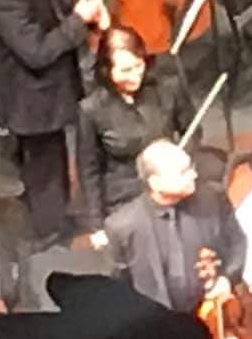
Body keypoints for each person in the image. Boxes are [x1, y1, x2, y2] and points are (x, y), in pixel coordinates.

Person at [0, 0, 108, 245]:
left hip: (36, 91)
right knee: (45, 167)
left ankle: (50, 219)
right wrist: (78, 22)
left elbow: (47, 5)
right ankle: (49, 232)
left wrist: (74, 0)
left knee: (47, 163)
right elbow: (36, 51)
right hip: (29, 96)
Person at [104, 139, 246, 314]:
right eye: (183, 172)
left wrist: (227, 278)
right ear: (156, 183)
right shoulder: (123, 226)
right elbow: (120, 288)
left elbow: (237, 242)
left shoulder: (213, 198)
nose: (194, 175)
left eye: (191, 167)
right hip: (158, 321)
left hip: (212, 312)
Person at [79, 27, 191, 238]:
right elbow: (89, 171)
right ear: (107, 70)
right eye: (125, 70)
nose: (135, 75)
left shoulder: (167, 88)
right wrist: (97, 226)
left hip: (170, 182)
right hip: (125, 194)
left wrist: (178, 167)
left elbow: (192, 131)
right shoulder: (92, 109)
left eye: (138, 66)